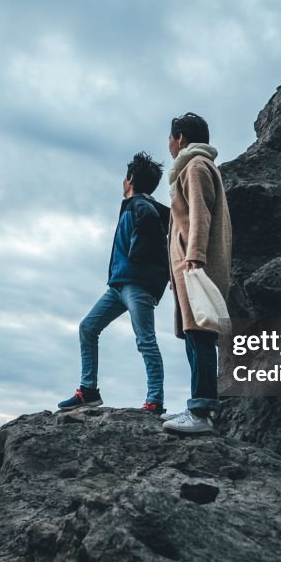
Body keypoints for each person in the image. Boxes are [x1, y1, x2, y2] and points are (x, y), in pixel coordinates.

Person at [58, 152, 170, 413]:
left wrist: (137, 253)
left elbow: (153, 228)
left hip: (136, 285)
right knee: (88, 327)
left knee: (145, 340)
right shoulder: (135, 207)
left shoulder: (142, 206)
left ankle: (155, 400)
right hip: (118, 285)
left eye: (125, 177)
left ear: (130, 179)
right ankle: (88, 391)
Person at [161, 112, 232, 434]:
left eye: (171, 138)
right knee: (195, 335)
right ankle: (197, 405)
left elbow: (201, 215)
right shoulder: (193, 167)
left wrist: (195, 257)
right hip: (189, 265)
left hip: (195, 266)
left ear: (181, 138)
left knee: (200, 335)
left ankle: (201, 412)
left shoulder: (196, 166)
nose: (169, 145)